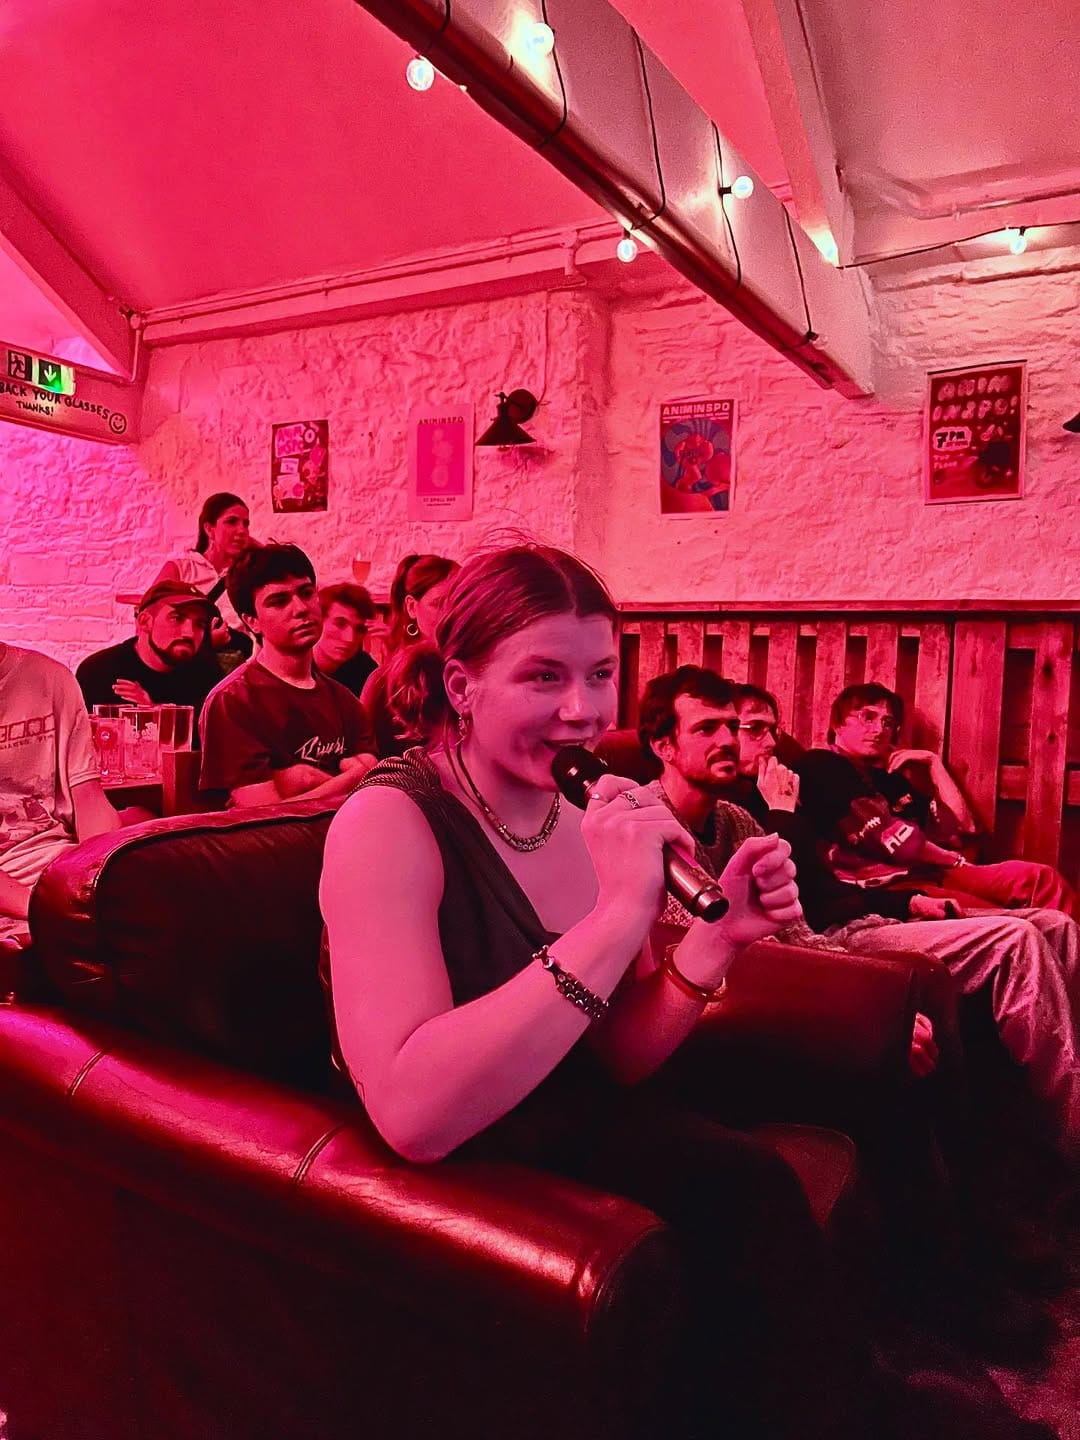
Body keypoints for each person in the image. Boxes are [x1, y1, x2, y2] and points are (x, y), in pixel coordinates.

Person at [322, 543, 892, 1440]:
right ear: (462, 686)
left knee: (848, 1102)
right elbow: (412, 1111)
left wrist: (713, 939)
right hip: (475, 1150)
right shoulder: (387, 822)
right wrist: (617, 917)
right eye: (543, 676)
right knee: (747, 1192)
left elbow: (619, 1053)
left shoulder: (583, 809)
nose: (583, 711)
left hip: (578, 1109)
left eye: (599, 675)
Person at [706, 675, 1080, 1154]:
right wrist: (782, 811)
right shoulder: (768, 795)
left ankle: (1059, 1095)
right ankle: (1068, 1133)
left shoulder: (780, 791)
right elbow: (786, 895)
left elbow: (950, 836)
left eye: (772, 729)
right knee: (1018, 937)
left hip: (873, 909)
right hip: (837, 936)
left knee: (1057, 923)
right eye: (754, 729)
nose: (772, 741)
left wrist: (906, 902)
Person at [799, 683, 1077, 916]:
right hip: (888, 884)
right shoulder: (821, 764)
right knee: (1018, 922)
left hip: (935, 871)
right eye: (867, 717)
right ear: (837, 723)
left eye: (888, 722)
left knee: (1043, 880)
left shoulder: (891, 780)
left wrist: (934, 765)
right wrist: (953, 860)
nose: (879, 729)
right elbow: (894, 840)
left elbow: (962, 828)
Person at [198, 544, 377, 808]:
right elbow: (261, 817)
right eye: (279, 601)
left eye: (306, 593)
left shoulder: (344, 700)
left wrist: (303, 781)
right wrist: (352, 777)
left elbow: (374, 789)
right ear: (252, 621)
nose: (301, 608)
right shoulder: (233, 700)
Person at [0, 642, 120, 947]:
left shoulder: (49, 678)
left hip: (58, 869)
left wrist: (101, 881)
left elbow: (88, 797)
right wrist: (41, 910)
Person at [75, 580, 221, 723]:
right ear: (145, 621)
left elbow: (210, 741)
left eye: (199, 624)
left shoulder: (207, 676)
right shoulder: (99, 672)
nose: (189, 633)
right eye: (177, 618)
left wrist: (152, 711)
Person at [360, 553, 457, 756]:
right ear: (412, 607)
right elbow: (366, 757)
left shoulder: (478, 671)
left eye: (458, 602)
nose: (450, 614)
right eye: (439, 604)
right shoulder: (384, 683)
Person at [152, 492, 254, 668]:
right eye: (232, 522)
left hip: (238, 668)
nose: (242, 530)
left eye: (246, 524)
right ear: (209, 529)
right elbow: (152, 624)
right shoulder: (181, 568)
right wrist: (205, 642)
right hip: (187, 668)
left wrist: (253, 545)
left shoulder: (247, 573)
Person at [312, 583, 378, 696]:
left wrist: (391, 657)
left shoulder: (363, 667)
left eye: (359, 629)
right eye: (340, 624)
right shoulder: (292, 664)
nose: (350, 638)